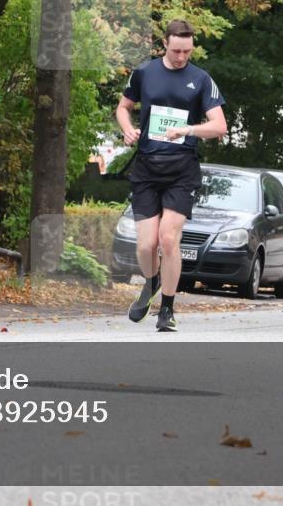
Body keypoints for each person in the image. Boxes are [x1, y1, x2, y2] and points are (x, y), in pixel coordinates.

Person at [116, 19, 227, 332]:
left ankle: (167, 309)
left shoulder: (201, 79)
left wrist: (189, 129)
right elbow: (123, 107)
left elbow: (219, 125)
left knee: (168, 238)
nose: (182, 57)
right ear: (164, 44)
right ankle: (151, 283)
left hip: (182, 169)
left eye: (187, 51)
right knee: (145, 245)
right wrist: (127, 128)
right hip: (147, 167)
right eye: (177, 50)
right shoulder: (145, 73)